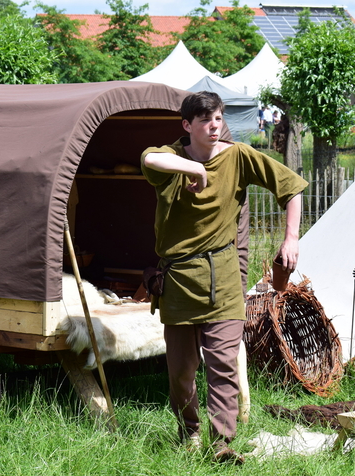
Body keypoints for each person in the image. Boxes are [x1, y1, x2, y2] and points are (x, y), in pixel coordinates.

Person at [140, 91, 307, 464]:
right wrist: (193, 168)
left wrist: (291, 238)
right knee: (182, 371)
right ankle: (189, 432)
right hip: (180, 278)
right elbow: (147, 157)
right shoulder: (169, 158)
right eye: (204, 121)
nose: (214, 127)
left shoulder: (238, 156)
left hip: (225, 276)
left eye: (217, 119)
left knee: (223, 364)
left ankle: (220, 444)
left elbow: (292, 187)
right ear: (187, 126)